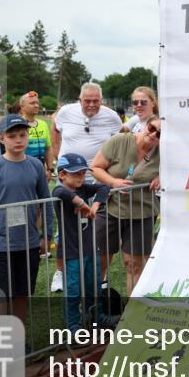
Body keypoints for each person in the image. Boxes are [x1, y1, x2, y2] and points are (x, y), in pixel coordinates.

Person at [0, 115, 51, 325]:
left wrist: (47, 235)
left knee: (22, 293)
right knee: (0, 296)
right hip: (0, 244)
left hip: (28, 242)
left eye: (22, 135)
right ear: (1, 139)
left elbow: (46, 202)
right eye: (12, 136)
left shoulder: (36, 165)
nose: (18, 140)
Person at [50, 82, 122, 292]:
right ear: (79, 100)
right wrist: (57, 157)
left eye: (96, 101)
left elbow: (119, 141)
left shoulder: (112, 117)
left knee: (99, 229)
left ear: (102, 100)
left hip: (97, 178)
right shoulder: (65, 112)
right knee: (65, 228)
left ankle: (100, 275)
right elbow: (55, 130)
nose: (91, 104)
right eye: (87, 100)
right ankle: (60, 273)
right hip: (67, 179)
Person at [90, 115, 160, 294]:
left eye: (160, 134)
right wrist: (113, 182)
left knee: (135, 264)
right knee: (100, 261)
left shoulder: (166, 153)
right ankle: (91, 308)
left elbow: (182, 169)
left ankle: (133, 314)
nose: (153, 135)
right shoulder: (120, 141)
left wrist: (163, 176)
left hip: (142, 212)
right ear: (146, 125)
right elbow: (96, 167)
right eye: (152, 128)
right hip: (111, 208)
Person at [53, 153, 112, 335]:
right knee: (73, 290)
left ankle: (97, 317)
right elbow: (60, 192)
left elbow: (104, 187)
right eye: (75, 173)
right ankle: (72, 326)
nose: (81, 177)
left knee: (93, 285)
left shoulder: (85, 188)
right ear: (62, 175)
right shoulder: (59, 192)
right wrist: (80, 203)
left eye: (83, 173)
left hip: (89, 248)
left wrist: (93, 206)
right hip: (71, 251)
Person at [18, 91, 53, 176]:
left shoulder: (43, 124)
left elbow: (48, 148)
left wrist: (49, 169)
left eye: (37, 103)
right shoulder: (17, 125)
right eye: (32, 103)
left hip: (41, 172)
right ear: (22, 106)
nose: (36, 105)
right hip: (22, 172)